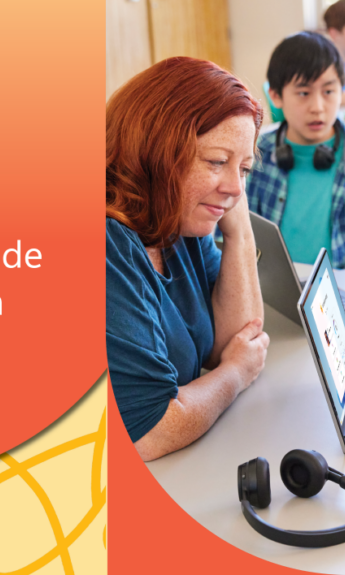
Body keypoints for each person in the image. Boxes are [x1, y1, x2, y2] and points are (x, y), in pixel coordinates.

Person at [106, 57, 270, 461]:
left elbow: (236, 339)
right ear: (155, 152)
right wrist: (233, 375)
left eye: (245, 169)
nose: (234, 186)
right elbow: (149, 432)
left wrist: (239, 232)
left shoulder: (178, 216)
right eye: (216, 161)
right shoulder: (107, 243)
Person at [248, 31, 345, 271]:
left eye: (328, 92)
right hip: (271, 291)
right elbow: (237, 234)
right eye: (303, 93)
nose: (318, 108)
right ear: (276, 96)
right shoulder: (256, 152)